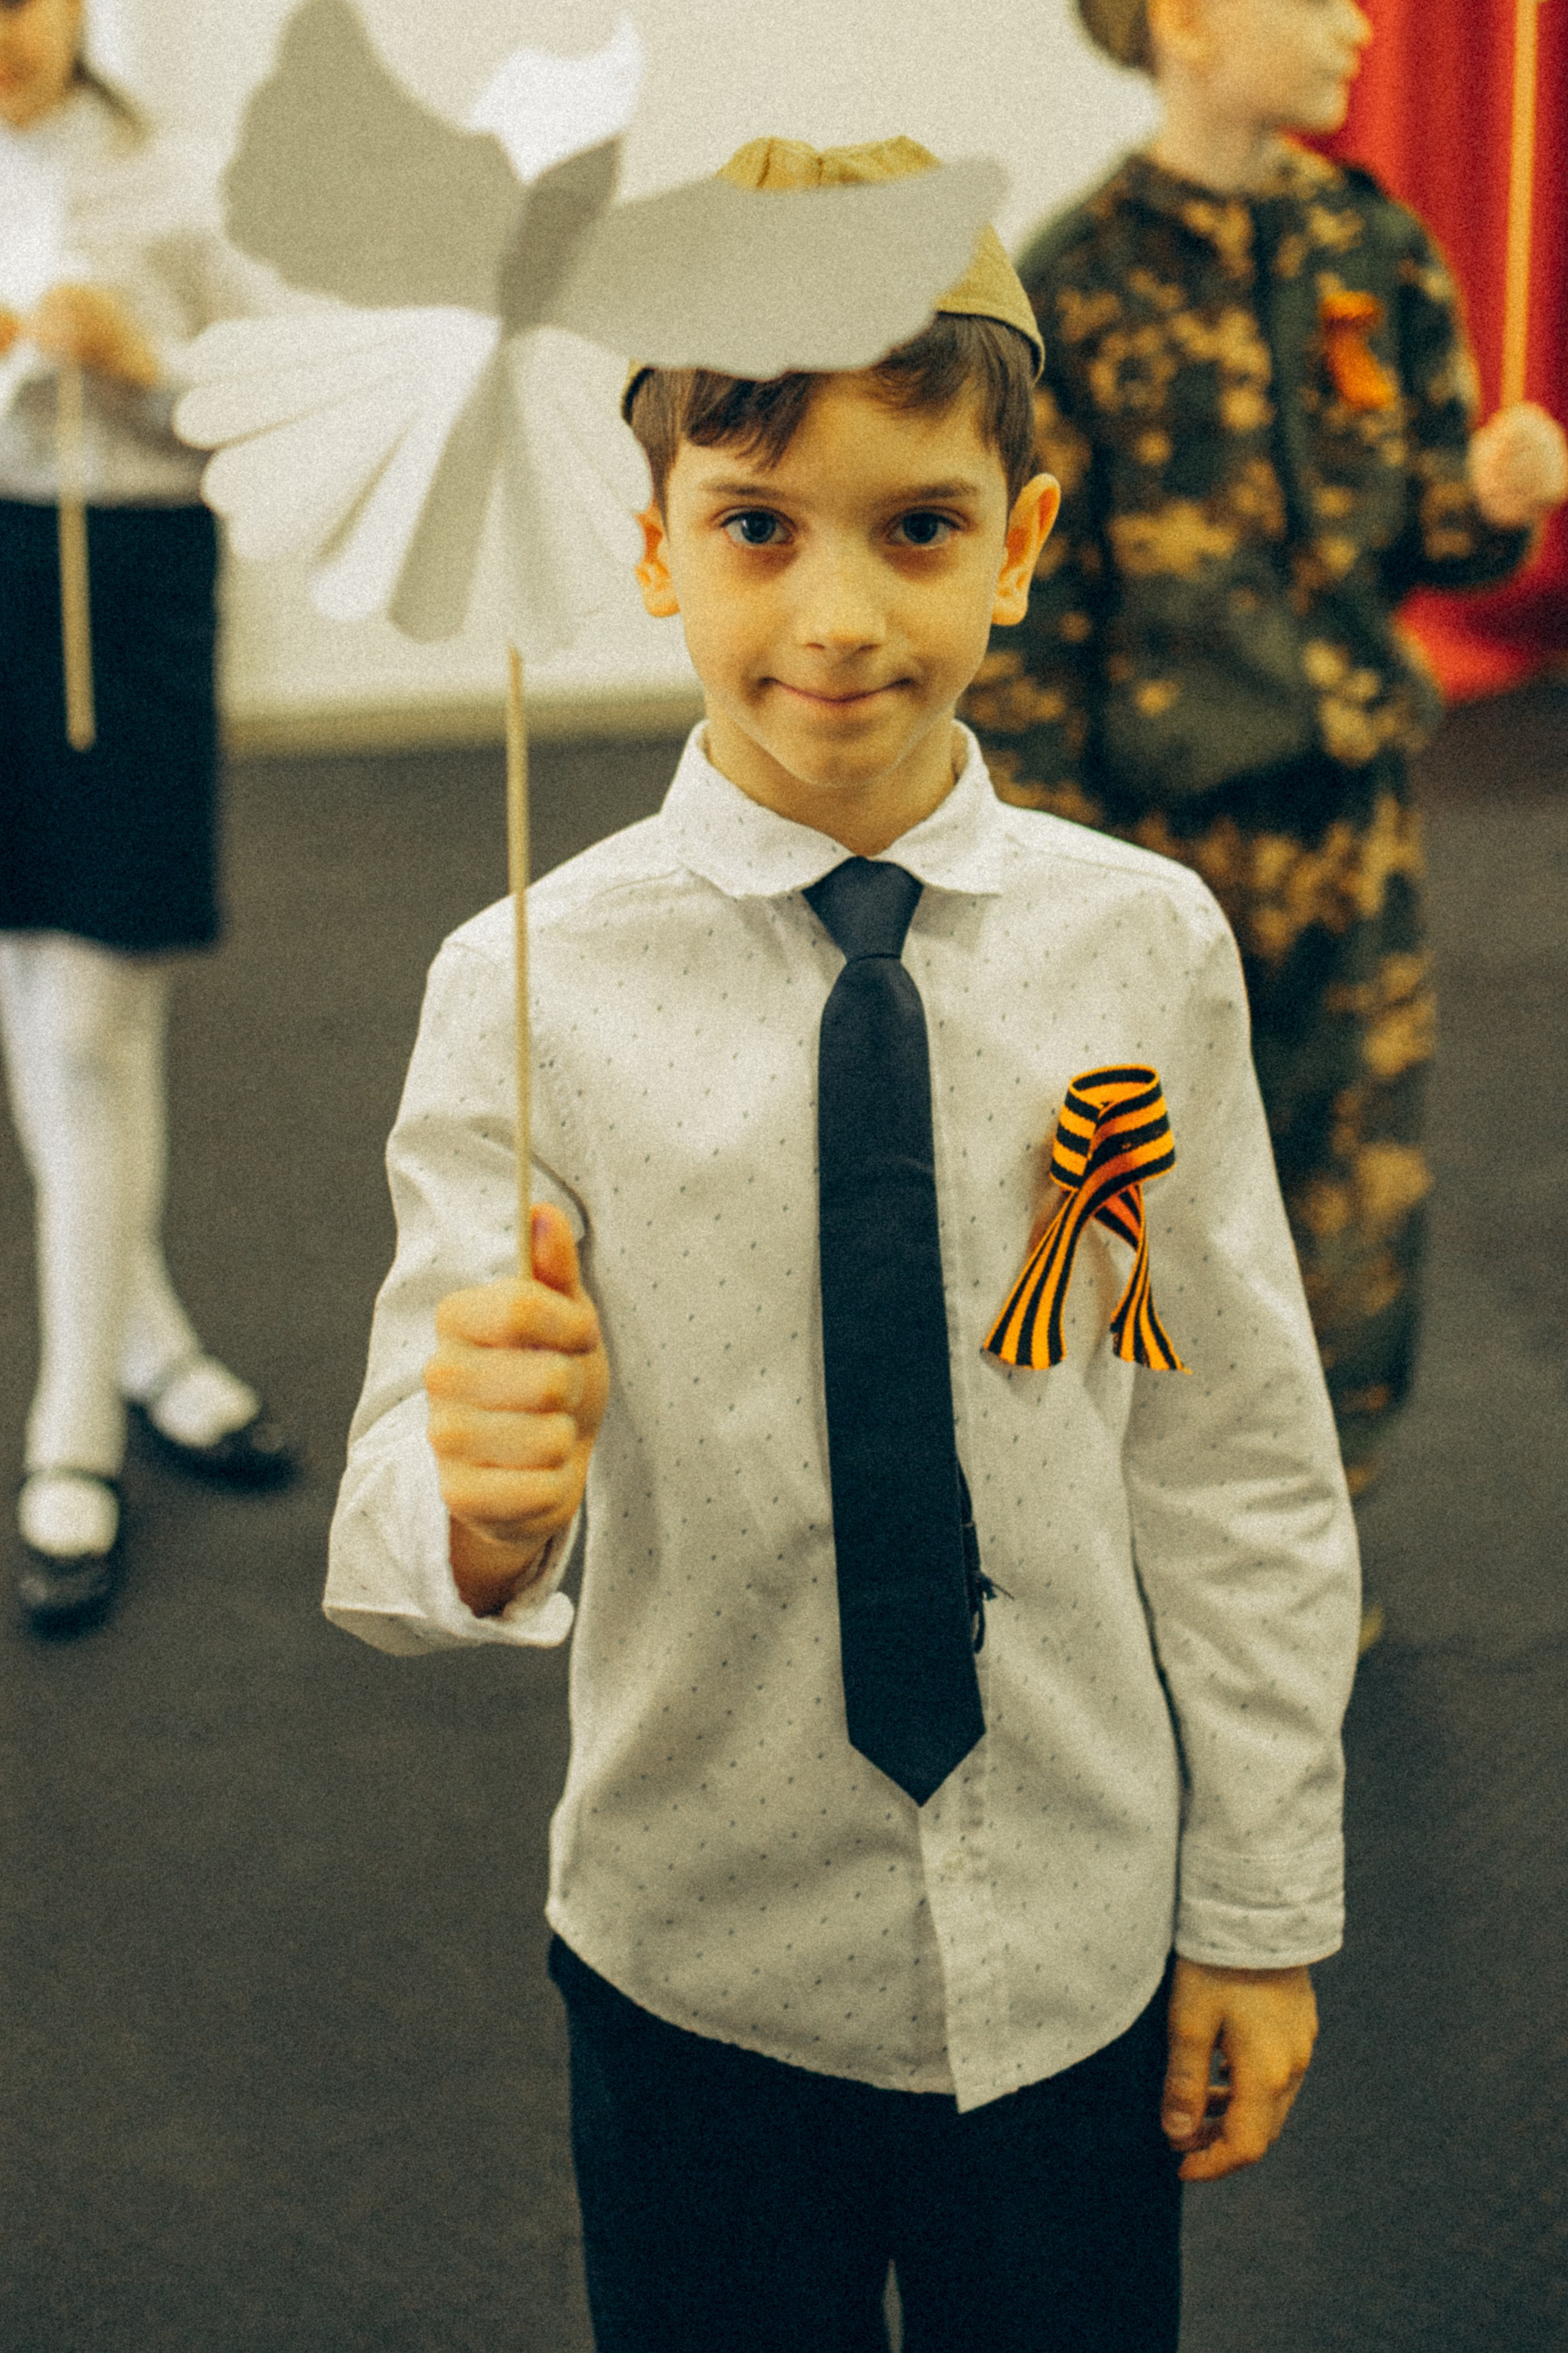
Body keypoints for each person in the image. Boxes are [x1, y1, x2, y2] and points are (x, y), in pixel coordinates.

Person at [326, 135, 1360, 2353]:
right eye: (756, 527)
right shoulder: (525, 984)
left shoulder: (1142, 949)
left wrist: (1259, 1908)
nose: (834, 614)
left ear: (1024, 547)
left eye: (919, 528)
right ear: (650, 546)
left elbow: (1235, 1450)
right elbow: (407, 1520)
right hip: (700, 1960)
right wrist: (484, 1508)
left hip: (1079, 1944)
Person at [962, 0, 1568, 1584]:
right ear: (1187, 22)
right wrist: (1046, 887)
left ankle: (1307, 1558)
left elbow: (1434, 527)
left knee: (1351, 1203)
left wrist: (1497, 505)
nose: (1358, 26)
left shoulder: (1375, 252)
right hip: (1159, 856)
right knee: (1138, 1217)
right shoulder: (1075, 285)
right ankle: (1126, 1568)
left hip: (1353, 838)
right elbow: (1023, 626)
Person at [0, 0, 298, 1636]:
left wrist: (139, 360)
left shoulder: (179, 185)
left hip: (121, 597)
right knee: (36, 1001)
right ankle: (141, 1336)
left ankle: (74, 1427)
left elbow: (275, 412)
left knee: (93, 1014)